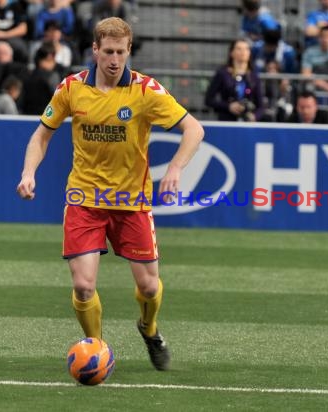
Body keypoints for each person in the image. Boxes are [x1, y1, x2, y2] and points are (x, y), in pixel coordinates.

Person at [16, 17, 204, 371]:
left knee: (149, 288)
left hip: (131, 202)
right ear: (96, 51)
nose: (115, 60)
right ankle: (97, 349)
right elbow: (42, 134)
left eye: (121, 52)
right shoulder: (71, 88)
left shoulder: (146, 91)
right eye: (108, 52)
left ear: (128, 50)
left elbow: (194, 129)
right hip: (84, 200)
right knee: (84, 286)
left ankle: (148, 329)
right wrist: (29, 172)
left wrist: (176, 167)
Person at [204, 38, 264, 121]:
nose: (243, 52)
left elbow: (260, 105)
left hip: (247, 120)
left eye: (246, 49)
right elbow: (209, 100)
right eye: (239, 49)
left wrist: (254, 116)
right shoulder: (223, 73)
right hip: (227, 119)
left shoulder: (253, 76)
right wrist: (228, 106)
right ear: (232, 52)